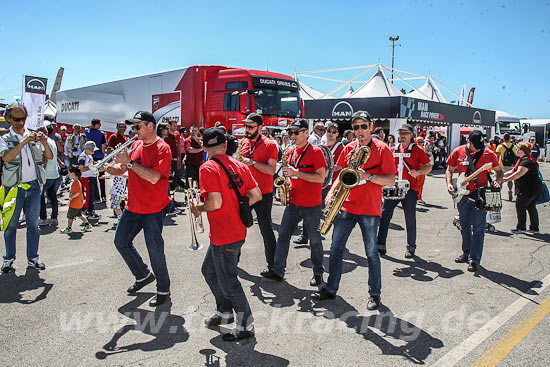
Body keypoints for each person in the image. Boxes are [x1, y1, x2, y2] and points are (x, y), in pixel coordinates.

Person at [314, 110, 396, 310]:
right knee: (335, 249)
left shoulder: (382, 149)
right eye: (356, 127)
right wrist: (330, 194)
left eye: (363, 126)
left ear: (372, 126)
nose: (360, 130)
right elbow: (341, 174)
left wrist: (368, 176)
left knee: (371, 253)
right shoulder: (349, 147)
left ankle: (374, 294)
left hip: (370, 208)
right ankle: (331, 289)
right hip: (346, 205)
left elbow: (391, 180)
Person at [190, 127, 261, 342]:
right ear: (224, 145)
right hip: (234, 230)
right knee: (209, 272)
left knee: (229, 280)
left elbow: (214, 203)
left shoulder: (207, 167)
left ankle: (245, 324)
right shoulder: (239, 165)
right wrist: (237, 207)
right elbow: (256, 195)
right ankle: (225, 311)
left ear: (204, 147)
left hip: (224, 234)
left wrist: (197, 208)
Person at [105, 111, 173, 307]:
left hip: (153, 207)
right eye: (132, 128)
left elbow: (153, 178)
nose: (133, 131)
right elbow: (122, 170)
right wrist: (106, 168)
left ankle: (163, 289)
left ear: (150, 126)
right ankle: (143, 275)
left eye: (137, 127)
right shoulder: (135, 145)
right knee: (120, 241)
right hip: (133, 206)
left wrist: (130, 162)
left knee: (155, 250)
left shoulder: (163, 148)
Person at [262, 119, 327, 286]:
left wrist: (297, 173)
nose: (292, 136)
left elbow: (320, 177)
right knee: (283, 235)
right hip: (294, 202)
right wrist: (286, 184)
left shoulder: (316, 151)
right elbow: (288, 174)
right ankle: (277, 270)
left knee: (314, 240)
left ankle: (318, 273)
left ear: (306, 133)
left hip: (312, 204)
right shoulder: (290, 152)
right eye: (290, 132)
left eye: (296, 132)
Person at [0, 103, 53, 273]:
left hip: (34, 186)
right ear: (8, 119)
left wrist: (44, 142)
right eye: (17, 119)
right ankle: (8, 258)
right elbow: (7, 158)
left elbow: (49, 156)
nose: (21, 122)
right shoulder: (5, 138)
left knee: (33, 224)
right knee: (11, 225)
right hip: (13, 187)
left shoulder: (33, 135)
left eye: (23, 118)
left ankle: (33, 257)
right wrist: (23, 142)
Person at [446, 130, 503, 272]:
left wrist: (497, 181)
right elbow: (449, 169)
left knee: (478, 229)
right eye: (475, 146)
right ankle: (466, 253)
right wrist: (449, 183)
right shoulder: (458, 151)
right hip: (462, 196)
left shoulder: (488, 153)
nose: (478, 148)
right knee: (464, 226)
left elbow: (499, 171)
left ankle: (474, 259)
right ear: (468, 142)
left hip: (479, 196)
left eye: (480, 145)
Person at [377, 124, 432, 258]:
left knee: (410, 218)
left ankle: (411, 247)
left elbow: (428, 166)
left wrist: (418, 172)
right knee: (384, 215)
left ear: (411, 135)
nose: (402, 135)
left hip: (410, 189)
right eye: (401, 133)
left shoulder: (418, 150)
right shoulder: (393, 149)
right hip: (393, 187)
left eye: (406, 133)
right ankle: (380, 245)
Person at [238, 113, 279, 275]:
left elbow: (271, 170)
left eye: (250, 127)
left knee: (265, 229)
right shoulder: (244, 142)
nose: (246, 130)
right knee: (239, 226)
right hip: (245, 192)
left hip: (264, 193)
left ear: (260, 127)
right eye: (246, 126)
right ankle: (233, 261)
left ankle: (273, 266)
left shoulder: (270, 144)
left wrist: (253, 162)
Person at [503, 142, 542, 234]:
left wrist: (506, 179)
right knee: (531, 207)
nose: (516, 151)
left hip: (528, 189)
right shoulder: (527, 159)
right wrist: (501, 176)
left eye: (518, 150)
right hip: (533, 188)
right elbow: (513, 171)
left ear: (523, 151)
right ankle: (534, 228)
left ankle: (521, 227)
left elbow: (518, 173)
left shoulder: (526, 161)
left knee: (520, 206)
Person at [39, 126, 61, 226]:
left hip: (46, 174)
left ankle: (43, 217)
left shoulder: (43, 143)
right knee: (52, 196)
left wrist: (41, 171)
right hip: (54, 173)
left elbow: (45, 159)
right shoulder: (52, 141)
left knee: (40, 196)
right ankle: (54, 217)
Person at [61, 165, 92, 233]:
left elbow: (77, 192)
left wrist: (71, 197)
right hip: (78, 203)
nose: (68, 175)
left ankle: (69, 228)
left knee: (70, 216)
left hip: (74, 204)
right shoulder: (77, 182)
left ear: (73, 174)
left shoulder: (76, 183)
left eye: (69, 173)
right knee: (79, 215)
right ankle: (87, 224)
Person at [85, 119, 107, 201]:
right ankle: (104, 196)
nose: (100, 125)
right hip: (99, 156)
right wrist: (104, 155)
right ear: (96, 125)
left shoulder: (87, 131)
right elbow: (103, 146)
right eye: (99, 124)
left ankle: (96, 197)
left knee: (93, 177)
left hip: (91, 156)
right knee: (102, 177)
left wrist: (91, 126)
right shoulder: (101, 134)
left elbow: (85, 128)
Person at [78, 141, 101, 219]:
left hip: (92, 177)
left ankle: (84, 208)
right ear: (86, 149)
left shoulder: (89, 156)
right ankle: (89, 211)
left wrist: (96, 163)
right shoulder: (83, 156)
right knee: (90, 195)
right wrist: (91, 167)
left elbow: (90, 164)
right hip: (87, 178)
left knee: (94, 195)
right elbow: (81, 169)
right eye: (91, 150)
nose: (93, 151)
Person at [495, 133, 518, 201]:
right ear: (510, 139)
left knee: (500, 179)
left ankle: (499, 193)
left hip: (502, 165)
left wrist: (496, 167)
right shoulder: (513, 146)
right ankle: (510, 190)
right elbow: (516, 155)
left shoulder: (500, 146)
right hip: (511, 166)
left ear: (504, 138)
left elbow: (497, 156)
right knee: (510, 180)